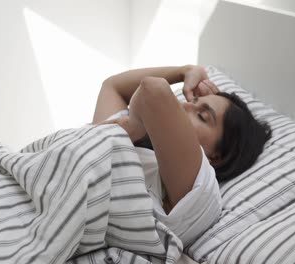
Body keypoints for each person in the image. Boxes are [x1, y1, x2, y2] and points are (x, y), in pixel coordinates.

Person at [91, 65, 271, 246]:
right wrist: (184, 72)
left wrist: (134, 125)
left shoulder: (202, 186)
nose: (182, 104)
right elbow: (113, 87)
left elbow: (153, 90)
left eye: (201, 115)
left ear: (216, 157)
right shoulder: (130, 135)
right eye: (193, 101)